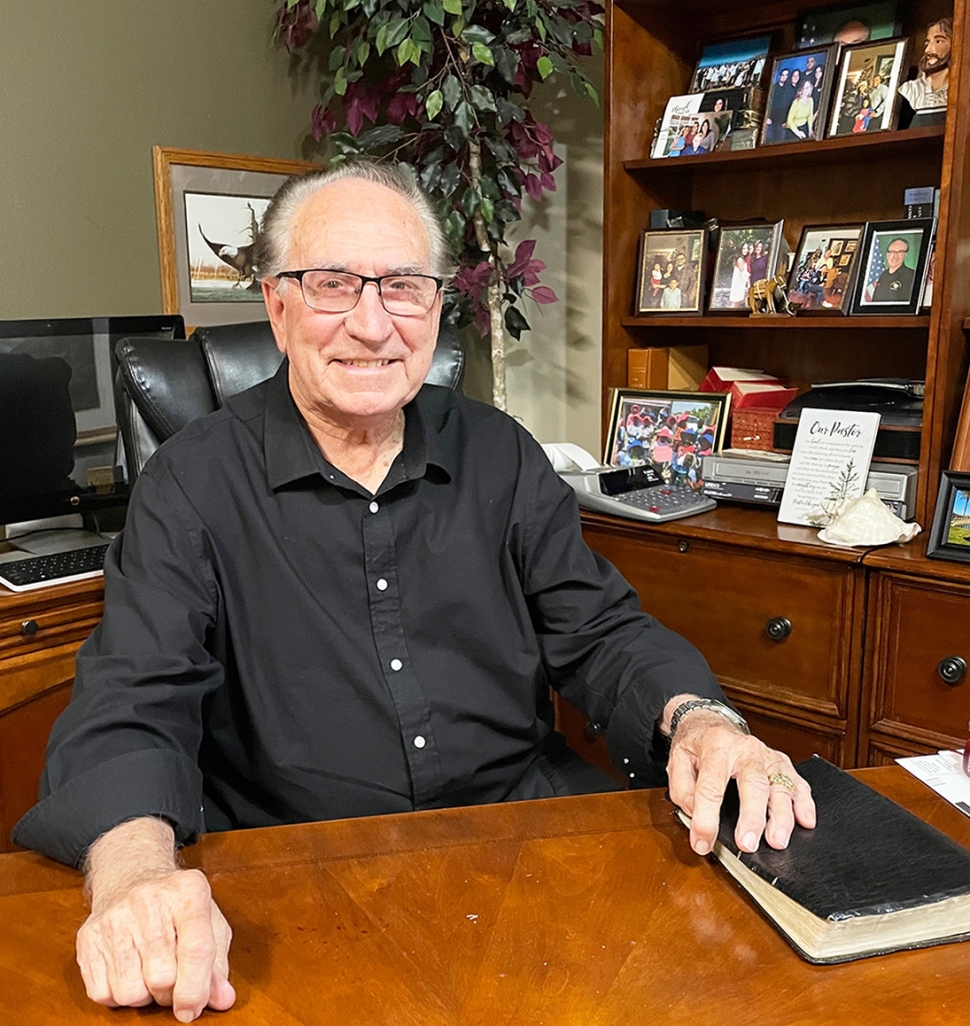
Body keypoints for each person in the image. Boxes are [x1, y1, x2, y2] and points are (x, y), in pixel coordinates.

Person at [13, 162, 814, 1022]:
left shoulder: (502, 454)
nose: (372, 325)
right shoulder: (190, 484)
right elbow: (133, 697)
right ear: (278, 307)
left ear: (434, 307)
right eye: (332, 284)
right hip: (300, 866)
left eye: (402, 286)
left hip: (526, 840)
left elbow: (603, 631)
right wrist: (135, 875)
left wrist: (701, 720)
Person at [899, 18, 952, 111]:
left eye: (938, 41)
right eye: (927, 43)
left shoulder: (961, 90)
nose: (928, 50)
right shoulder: (911, 89)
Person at [868, 236, 916, 302]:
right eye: (892, 252)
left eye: (900, 252)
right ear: (887, 254)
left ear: (905, 255)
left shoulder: (911, 276)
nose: (895, 256)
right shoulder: (883, 275)